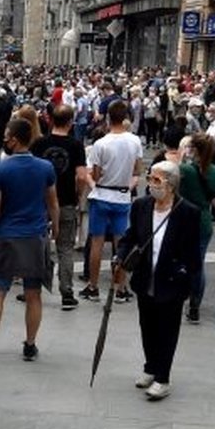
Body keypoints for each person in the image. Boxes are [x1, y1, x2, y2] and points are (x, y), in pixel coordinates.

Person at [0, 118, 59, 366]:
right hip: (35, 235)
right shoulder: (45, 168)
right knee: (33, 293)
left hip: (8, 235)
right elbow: (53, 203)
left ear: (15, 139)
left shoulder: (2, 170)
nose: (4, 140)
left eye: (7, 136)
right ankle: (30, 344)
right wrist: (56, 230)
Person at [113, 161, 199, 400]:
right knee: (147, 326)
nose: (151, 184)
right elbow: (130, 238)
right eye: (150, 179)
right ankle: (150, 367)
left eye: (157, 180)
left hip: (171, 280)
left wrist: (185, 275)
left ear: (171, 185)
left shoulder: (187, 212)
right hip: (144, 278)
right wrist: (120, 256)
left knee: (167, 330)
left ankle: (163, 377)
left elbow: (193, 251)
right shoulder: (141, 206)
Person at [81, 100, 144, 303]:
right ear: (125, 117)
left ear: (108, 117)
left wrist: (92, 183)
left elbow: (96, 175)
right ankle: (121, 287)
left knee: (97, 243)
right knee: (121, 243)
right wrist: (129, 185)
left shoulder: (101, 144)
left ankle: (93, 286)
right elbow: (137, 170)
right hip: (122, 196)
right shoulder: (135, 142)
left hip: (101, 195)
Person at [31, 103, 87, 309]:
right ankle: (67, 291)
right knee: (65, 248)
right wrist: (78, 193)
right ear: (71, 122)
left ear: (50, 120)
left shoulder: (39, 144)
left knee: (38, 245)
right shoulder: (75, 145)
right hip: (66, 201)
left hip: (40, 201)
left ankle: (33, 287)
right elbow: (81, 175)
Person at [177, 133, 215, 324]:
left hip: (183, 219)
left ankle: (178, 297)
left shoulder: (185, 169)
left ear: (193, 149)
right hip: (203, 220)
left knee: (179, 261)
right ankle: (195, 306)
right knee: (198, 265)